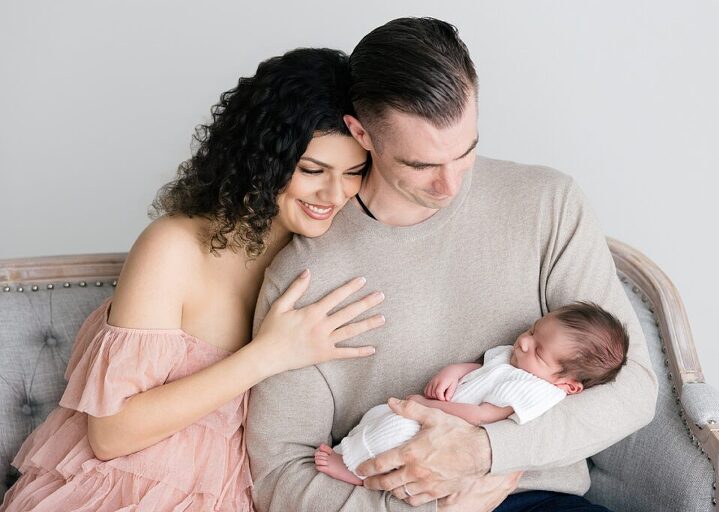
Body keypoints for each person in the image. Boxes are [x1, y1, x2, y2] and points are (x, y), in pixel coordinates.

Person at [246, 17, 658, 512]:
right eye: (421, 165)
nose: (451, 186)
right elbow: (280, 474)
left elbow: (632, 388)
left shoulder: (547, 202)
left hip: (539, 499)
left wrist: (485, 452)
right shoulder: (305, 273)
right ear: (361, 133)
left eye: (466, 152)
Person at [0, 48, 385, 512]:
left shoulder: (329, 251)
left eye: (354, 172)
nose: (335, 193)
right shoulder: (173, 247)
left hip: (247, 490)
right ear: (262, 159)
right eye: (312, 170)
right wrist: (268, 355)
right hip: (125, 488)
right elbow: (111, 434)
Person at [314, 302, 629, 488]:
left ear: (568, 385)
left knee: (396, 435)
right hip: (438, 413)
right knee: (379, 416)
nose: (523, 342)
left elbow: (481, 416)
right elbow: (483, 368)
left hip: (447, 432)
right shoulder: (518, 360)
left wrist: (429, 406)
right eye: (533, 330)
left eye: (538, 350)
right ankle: (350, 450)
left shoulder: (536, 389)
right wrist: (455, 371)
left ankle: (359, 473)